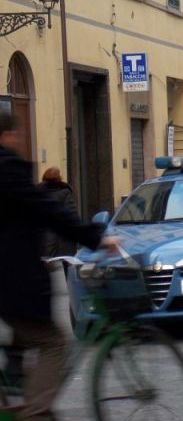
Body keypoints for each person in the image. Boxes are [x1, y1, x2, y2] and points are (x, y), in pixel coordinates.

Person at [0, 113, 117, 421]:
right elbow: (50, 212)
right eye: (14, 134)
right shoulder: (7, 169)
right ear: (6, 135)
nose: (17, 140)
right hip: (12, 280)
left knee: (21, 342)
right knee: (54, 343)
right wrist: (96, 238)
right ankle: (35, 413)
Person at [38, 167, 79, 259]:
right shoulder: (64, 193)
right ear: (59, 179)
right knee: (62, 270)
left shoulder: (37, 194)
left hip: (42, 243)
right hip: (62, 244)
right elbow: (72, 217)